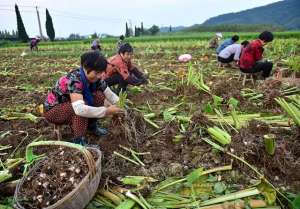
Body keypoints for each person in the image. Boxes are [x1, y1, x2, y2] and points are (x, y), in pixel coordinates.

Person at [43, 51, 123, 145]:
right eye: (97, 72)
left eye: (102, 72)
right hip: (53, 111)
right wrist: (106, 111)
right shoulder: (74, 80)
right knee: (81, 108)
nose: (100, 75)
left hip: (70, 105)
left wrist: (121, 105)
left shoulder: (97, 78)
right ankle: (78, 140)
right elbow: (79, 109)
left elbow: (110, 95)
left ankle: (91, 126)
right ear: (86, 68)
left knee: (99, 96)